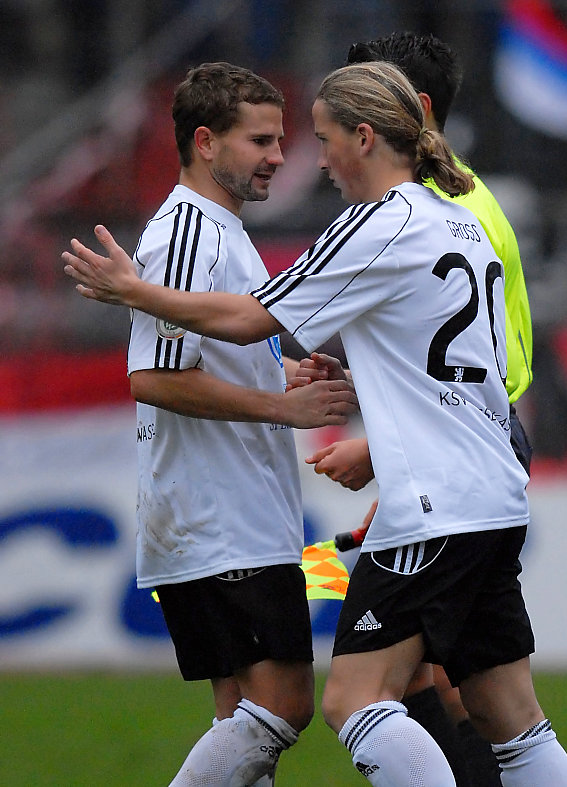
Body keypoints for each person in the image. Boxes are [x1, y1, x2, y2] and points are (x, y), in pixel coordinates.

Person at [63, 60, 567, 787]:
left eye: (321, 138)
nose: (309, 159)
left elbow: (251, 319)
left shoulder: (375, 222)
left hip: (431, 503)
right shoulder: (462, 221)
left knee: (351, 700)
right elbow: (460, 373)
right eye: (269, 140)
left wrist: (132, 290)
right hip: (493, 493)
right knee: (511, 717)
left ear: (363, 137)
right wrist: (347, 418)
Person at [94, 61, 358, 787]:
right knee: (284, 705)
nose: (279, 156)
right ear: (205, 142)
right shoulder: (187, 233)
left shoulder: (224, 232)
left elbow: (203, 357)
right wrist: (281, 407)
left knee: (241, 718)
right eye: (260, 141)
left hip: (232, 508)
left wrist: (279, 374)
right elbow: (153, 378)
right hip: (217, 511)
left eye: (279, 140)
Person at [298, 30, 536, 786]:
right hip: (478, 450)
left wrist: (384, 452)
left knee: (388, 690)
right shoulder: (466, 201)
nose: (330, 147)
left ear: (408, 109)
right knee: (479, 695)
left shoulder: (417, 209)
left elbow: (468, 370)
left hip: (457, 456)